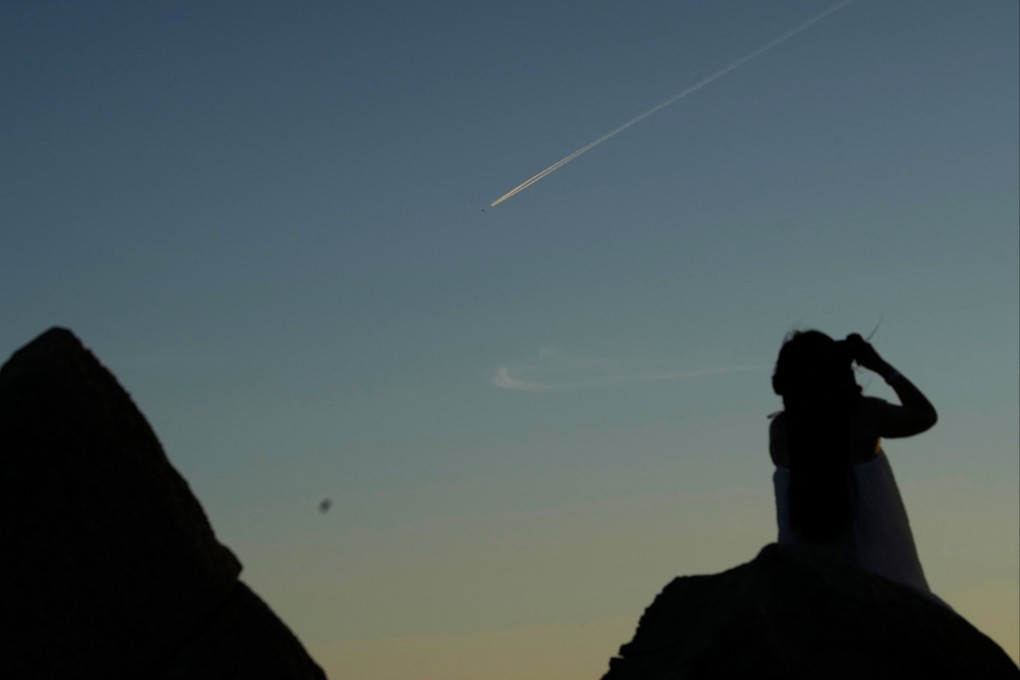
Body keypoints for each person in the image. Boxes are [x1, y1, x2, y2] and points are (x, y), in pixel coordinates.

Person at [769, 330, 938, 595]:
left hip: (806, 582)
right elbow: (924, 415)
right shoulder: (866, 417)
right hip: (879, 576)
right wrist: (880, 366)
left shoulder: (780, 430)